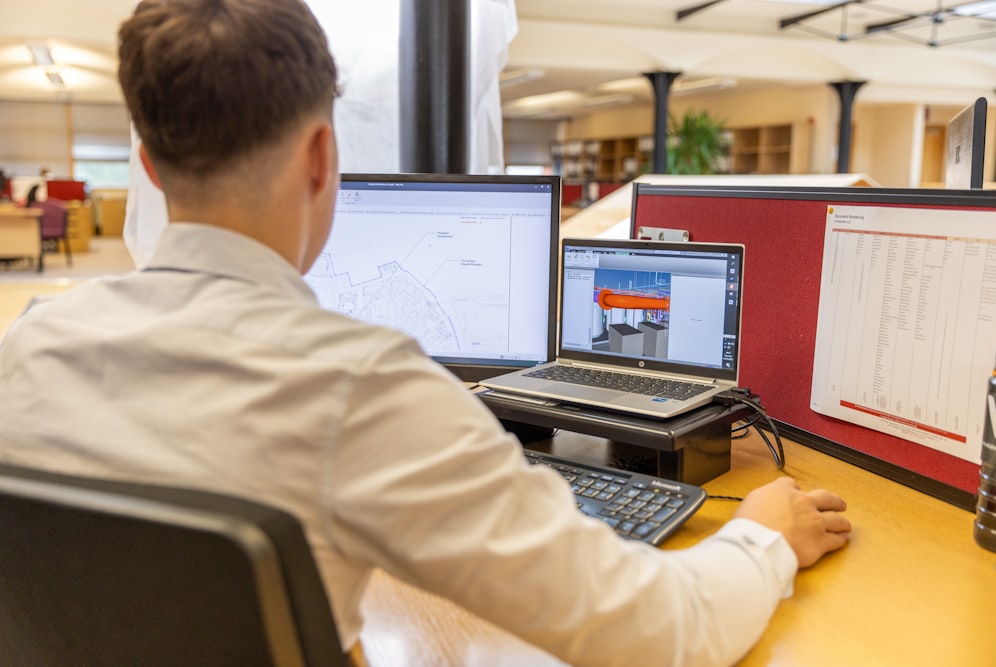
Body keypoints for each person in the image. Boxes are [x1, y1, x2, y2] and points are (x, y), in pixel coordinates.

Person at [0, 1, 851, 665]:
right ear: (321, 157)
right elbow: (664, 630)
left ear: (146, 163)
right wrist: (764, 536)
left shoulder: (27, 348)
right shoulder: (358, 385)